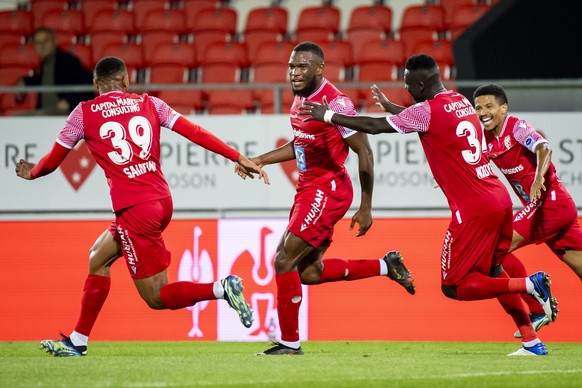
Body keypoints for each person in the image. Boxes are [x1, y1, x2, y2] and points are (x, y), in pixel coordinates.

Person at [300, 53, 558, 356]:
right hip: (498, 198)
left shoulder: (427, 110)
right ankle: (531, 341)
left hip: (473, 208)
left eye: (410, 86)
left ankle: (530, 285)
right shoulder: (460, 101)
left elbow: (373, 126)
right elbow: (428, 121)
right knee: (494, 270)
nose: (408, 91)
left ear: (422, 84)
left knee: (454, 287)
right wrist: (395, 109)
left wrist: (328, 116)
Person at [15, 56, 269, 357]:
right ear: (126, 81)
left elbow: (53, 161)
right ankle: (78, 340)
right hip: (160, 201)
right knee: (98, 257)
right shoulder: (151, 104)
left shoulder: (83, 114)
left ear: (96, 85)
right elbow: (194, 131)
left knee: (157, 296)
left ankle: (221, 288)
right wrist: (237, 156)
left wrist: (32, 172)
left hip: (134, 209)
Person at [235, 42, 416, 356]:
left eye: (302, 66)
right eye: (292, 66)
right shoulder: (301, 99)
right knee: (308, 272)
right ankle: (386, 266)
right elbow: (301, 142)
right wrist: (260, 160)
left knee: (282, 260)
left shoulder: (336, 103)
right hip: (308, 188)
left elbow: (365, 151)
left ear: (319, 68)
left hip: (327, 190)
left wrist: (366, 205)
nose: (294, 72)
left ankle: (290, 343)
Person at [473, 84, 582, 338]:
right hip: (549, 209)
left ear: (503, 108)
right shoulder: (485, 139)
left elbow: (544, 148)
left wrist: (538, 177)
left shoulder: (517, 127)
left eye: (489, 106)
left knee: (494, 249)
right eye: (478, 107)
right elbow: (472, 161)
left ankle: (537, 308)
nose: (483, 112)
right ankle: (537, 307)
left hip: (550, 204)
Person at [16, 27, 94, 115]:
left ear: (55, 42)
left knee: (20, 119)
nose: (42, 45)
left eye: (46, 40)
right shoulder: (46, 63)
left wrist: (68, 101)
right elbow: (43, 79)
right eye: (38, 42)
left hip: (63, 113)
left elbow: (87, 80)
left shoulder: (67, 60)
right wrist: (24, 81)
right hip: (46, 112)